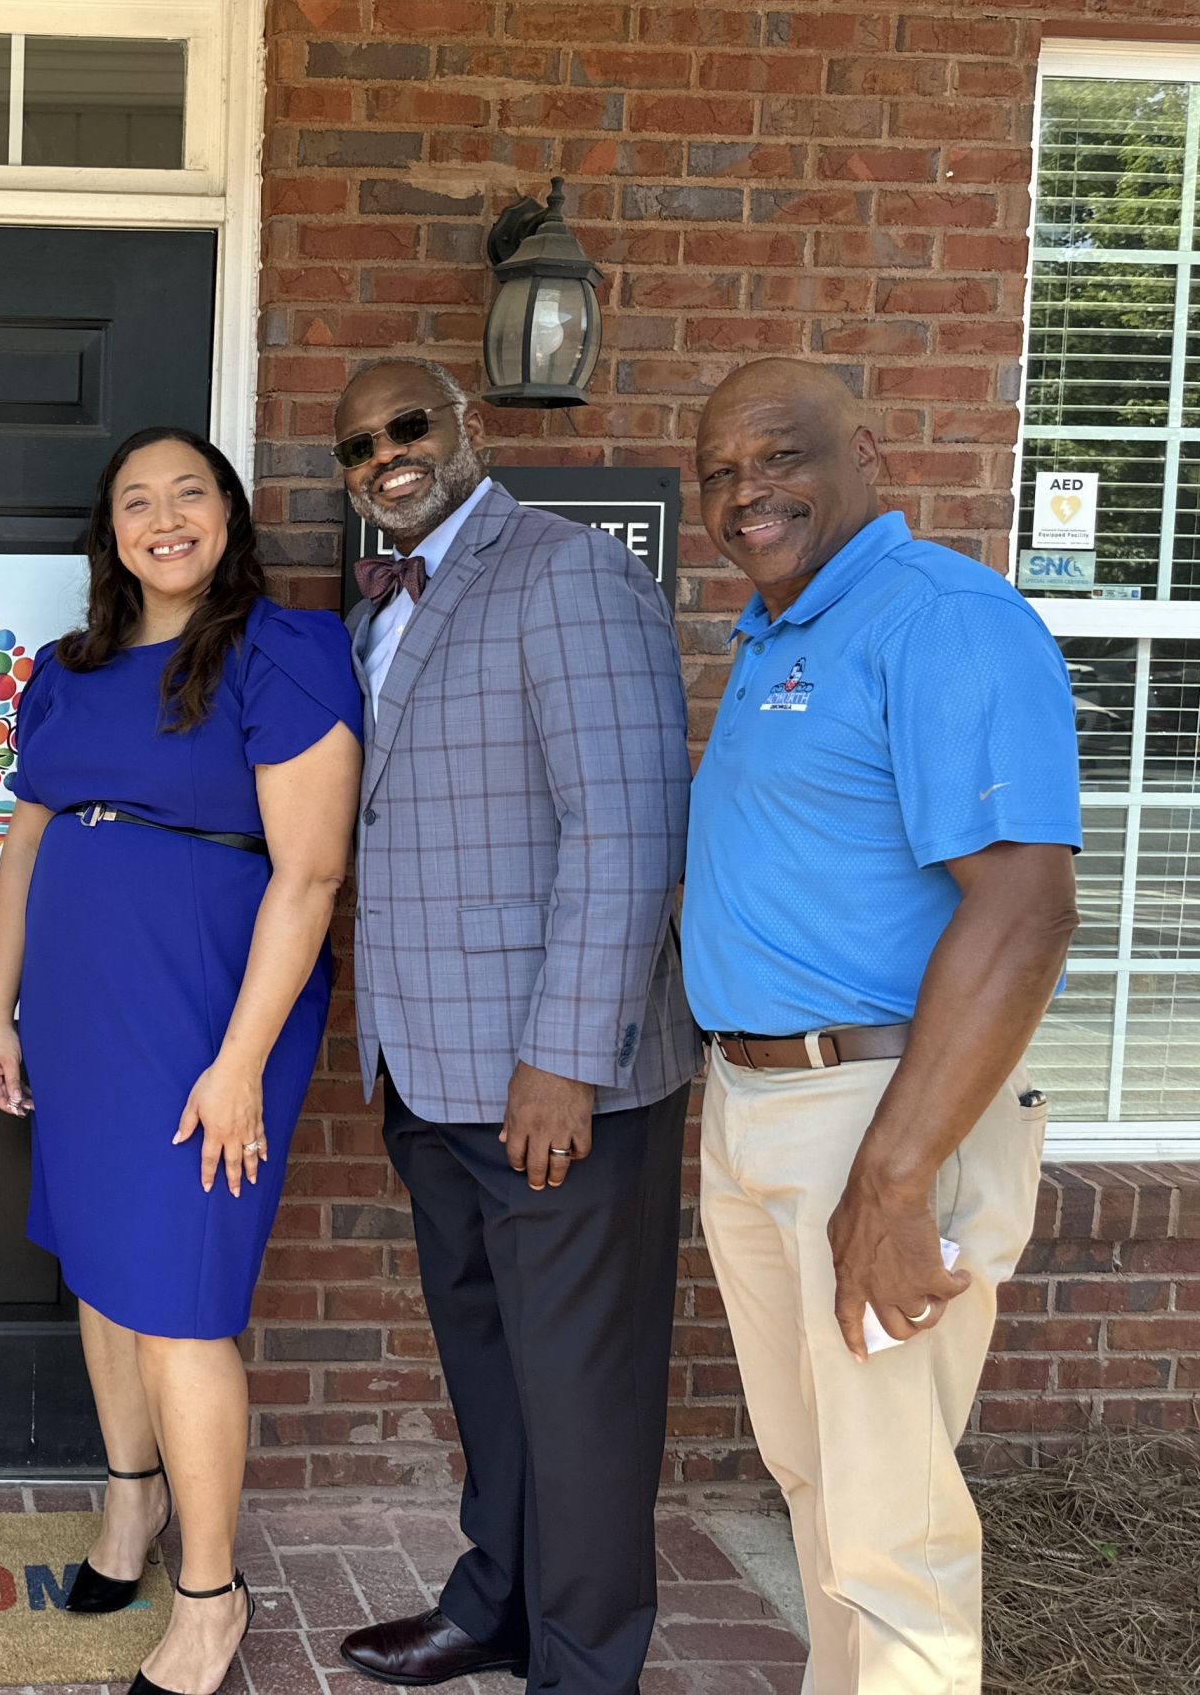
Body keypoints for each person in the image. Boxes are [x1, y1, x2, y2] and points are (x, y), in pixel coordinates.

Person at [683, 359, 1078, 1695]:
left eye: (779, 457)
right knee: (821, 1486)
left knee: (891, 1519)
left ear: (866, 455)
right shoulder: (779, 633)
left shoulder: (943, 621)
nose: (748, 494)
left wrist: (897, 1177)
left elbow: (1024, 907)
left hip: (882, 1112)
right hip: (763, 1109)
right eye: (722, 473)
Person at [330, 358, 696, 1693]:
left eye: (410, 427)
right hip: (429, 1076)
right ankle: (495, 1603)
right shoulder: (383, 615)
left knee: (583, 1404)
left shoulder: (567, 574)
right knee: (494, 1375)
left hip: (556, 1086)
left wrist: (565, 1057)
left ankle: (585, 1668)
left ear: (466, 429)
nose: (387, 456)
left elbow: (629, 828)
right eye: (360, 445)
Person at [0, 427, 362, 1695]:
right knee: (103, 1277)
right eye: (135, 501)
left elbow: (307, 876)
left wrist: (241, 1060)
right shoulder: (66, 670)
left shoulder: (283, 652)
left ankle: (210, 1597)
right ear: (111, 533)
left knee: (180, 1304)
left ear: (229, 515)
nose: (162, 517)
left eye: (187, 493)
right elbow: (24, 851)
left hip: (206, 1011)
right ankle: (129, 1507)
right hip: (84, 1014)